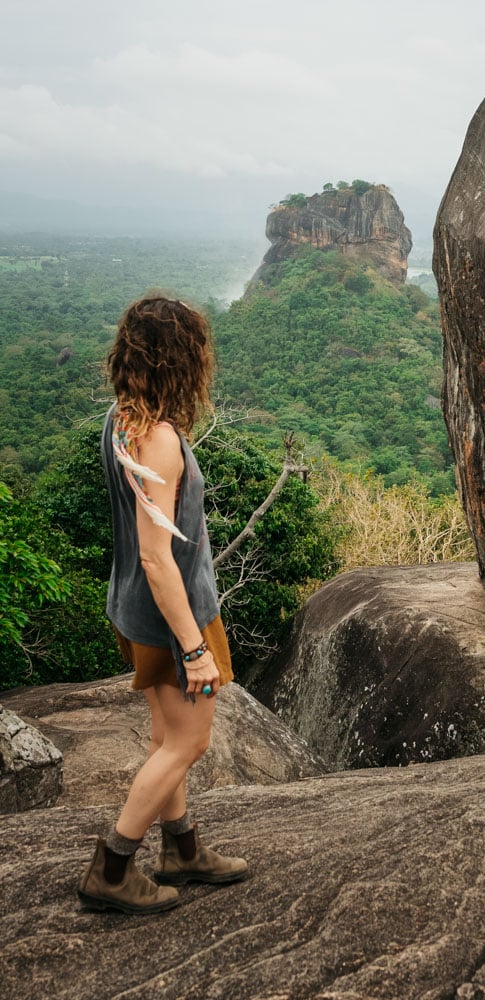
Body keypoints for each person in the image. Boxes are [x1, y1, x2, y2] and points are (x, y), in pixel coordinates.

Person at [78, 296, 248, 915]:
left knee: (164, 735)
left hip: (133, 607)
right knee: (189, 743)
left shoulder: (120, 421)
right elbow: (158, 558)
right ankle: (113, 870)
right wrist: (196, 648)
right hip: (173, 615)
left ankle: (182, 851)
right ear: (183, 362)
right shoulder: (160, 441)